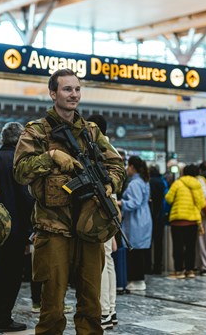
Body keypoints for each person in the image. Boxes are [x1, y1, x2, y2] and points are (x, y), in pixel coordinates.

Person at [13, 68, 126, 335]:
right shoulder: (37, 132)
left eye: (77, 89)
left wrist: (110, 183)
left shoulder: (91, 132)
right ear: (53, 94)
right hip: (53, 229)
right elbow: (20, 171)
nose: (73, 94)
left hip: (89, 228)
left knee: (91, 306)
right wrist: (50, 156)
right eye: (67, 89)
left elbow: (116, 165)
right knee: (52, 307)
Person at [0, 122, 34, 333]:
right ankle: (4, 319)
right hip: (15, 230)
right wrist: (30, 232)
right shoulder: (19, 162)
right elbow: (26, 199)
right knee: (13, 276)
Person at [87, 114, 118, 330]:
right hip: (110, 207)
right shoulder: (111, 149)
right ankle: (110, 309)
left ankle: (104, 311)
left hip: (102, 208)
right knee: (107, 259)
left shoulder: (99, 149)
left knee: (102, 260)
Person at [117, 155, 152, 291]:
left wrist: (120, 202)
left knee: (134, 251)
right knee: (139, 250)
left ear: (132, 167)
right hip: (144, 218)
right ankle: (139, 279)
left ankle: (137, 280)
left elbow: (134, 202)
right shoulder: (144, 181)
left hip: (136, 220)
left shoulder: (134, 183)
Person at [165, 164, 205, 279]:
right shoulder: (197, 184)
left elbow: (168, 198)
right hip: (192, 220)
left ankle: (179, 271)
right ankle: (190, 270)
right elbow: (202, 203)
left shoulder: (178, 183)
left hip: (177, 220)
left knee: (178, 246)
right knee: (190, 247)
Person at [148, 165, 166, 275]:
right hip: (161, 216)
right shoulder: (162, 182)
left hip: (150, 216)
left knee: (148, 243)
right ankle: (158, 266)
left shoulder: (148, 182)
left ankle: (148, 266)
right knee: (159, 243)